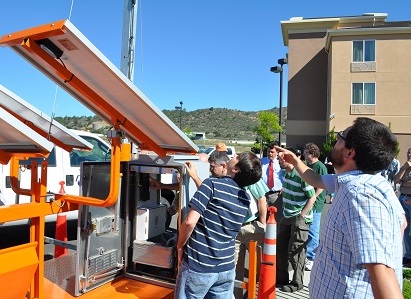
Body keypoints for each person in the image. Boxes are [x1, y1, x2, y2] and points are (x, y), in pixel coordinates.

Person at [276, 117, 405, 298]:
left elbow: (382, 272)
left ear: (349, 152)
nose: (334, 143)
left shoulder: (362, 196)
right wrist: (296, 161)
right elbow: (318, 179)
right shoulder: (358, 182)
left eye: (339, 138)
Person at [174, 152, 262, 299]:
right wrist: (195, 177)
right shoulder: (244, 198)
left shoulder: (211, 184)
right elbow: (217, 201)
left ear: (236, 169)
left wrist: (180, 246)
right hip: (226, 268)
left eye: (236, 157)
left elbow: (189, 222)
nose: (233, 155)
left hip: (199, 266)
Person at [276, 150, 316, 293]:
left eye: (282, 158)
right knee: (280, 248)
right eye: (278, 158)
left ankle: (297, 282)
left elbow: (312, 197)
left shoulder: (301, 176)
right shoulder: (285, 174)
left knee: (296, 251)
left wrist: (302, 216)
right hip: (286, 216)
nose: (279, 160)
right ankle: (281, 279)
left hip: (299, 218)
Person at [233, 178, 268, 299]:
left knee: (259, 267)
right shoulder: (228, 176)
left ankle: (254, 295)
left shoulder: (251, 176)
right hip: (234, 228)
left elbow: (261, 198)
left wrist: (262, 223)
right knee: (234, 267)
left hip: (252, 226)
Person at [302, 143, 328, 271]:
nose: (304, 155)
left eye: (306, 152)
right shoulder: (309, 166)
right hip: (308, 202)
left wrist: (313, 198)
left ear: (312, 154)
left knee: (313, 231)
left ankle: (311, 257)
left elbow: (321, 186)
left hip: (315, 205)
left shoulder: (320, 167)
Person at [394, 147, 411, 267]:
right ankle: (408, 255)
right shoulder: (405, 166)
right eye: (408, 152)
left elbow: (402, 182)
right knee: (404, 229)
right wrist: (404, 168)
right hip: (403, 197)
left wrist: (403, 183)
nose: (409, 154)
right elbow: (396, 179)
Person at [261, 142, 283, 209]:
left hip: (276, 195)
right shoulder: (261, 162)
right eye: (268, 152)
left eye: (272, 152)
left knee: (277, 216)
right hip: (263, 194)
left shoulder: (281, 162)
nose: (269, 154)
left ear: (277, 152)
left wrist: (284, 187)